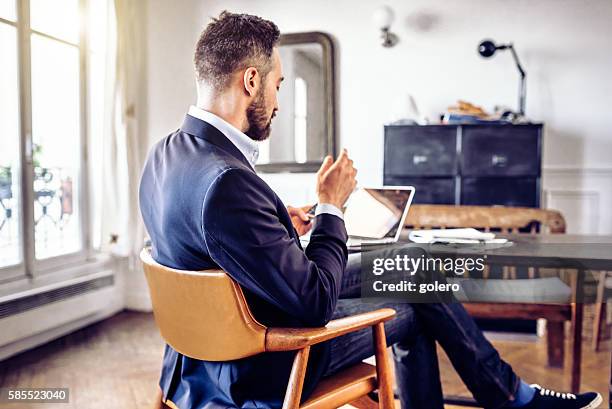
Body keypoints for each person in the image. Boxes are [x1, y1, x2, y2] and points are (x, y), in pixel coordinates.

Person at [138, 11, 602, 409]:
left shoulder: (167, 155)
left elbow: (209, 238)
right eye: (278, 85)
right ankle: (511, 396)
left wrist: (281, 220)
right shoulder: (227, 182)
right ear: (251, 80)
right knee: (419, 301)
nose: (277, 102)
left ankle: (510, 394)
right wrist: (330, 207)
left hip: (198, 358)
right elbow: (315, 302)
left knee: (414, 264)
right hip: (267, 360)